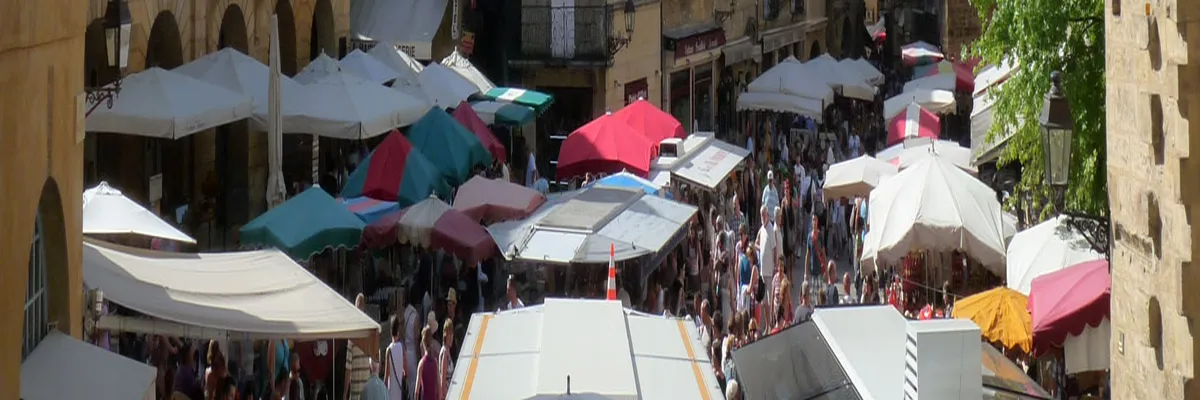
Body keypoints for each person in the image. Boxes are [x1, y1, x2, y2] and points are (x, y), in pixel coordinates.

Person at [345, 294, 372, 400]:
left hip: (355, 393)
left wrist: (344, 394)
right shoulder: (368, 335)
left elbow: (348, 369)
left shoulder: (352, 336)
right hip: (366, 391)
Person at [383, 315, 407, 400]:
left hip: (391, 392)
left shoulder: (388, 350)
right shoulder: (402, 347)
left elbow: (386, 376)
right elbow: (406, 371)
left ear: (390, 331)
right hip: (399, 392)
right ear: (398, 331)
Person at [415, 326, 439, 400]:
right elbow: (438, 386)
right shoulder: (435, 362)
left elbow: (416, 391)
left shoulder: (421, 364)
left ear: (423, 342)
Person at [439, 319, 455, 399]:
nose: (451, 336)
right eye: (449, 334)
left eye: (452, 333)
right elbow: (443, 379)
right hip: (446, 394)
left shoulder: (448, 351)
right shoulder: (444, 353)